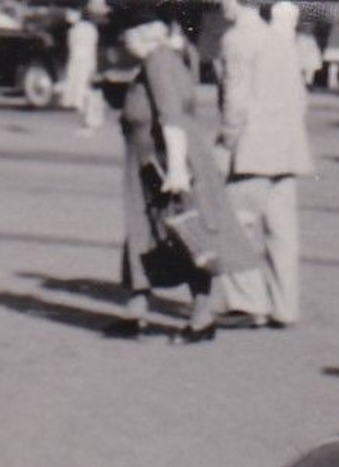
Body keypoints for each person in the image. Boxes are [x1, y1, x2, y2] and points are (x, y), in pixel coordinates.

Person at [110, 5, 257, 342]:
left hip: (165, 168)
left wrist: (175, 169)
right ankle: (136, 312)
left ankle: (201, 320)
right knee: (148, 236)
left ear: (142, 33)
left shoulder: (158, 60)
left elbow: (171, 117)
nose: (122, 41)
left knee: (186, 239)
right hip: (150, 168)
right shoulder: (168, 57)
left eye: (125, 34)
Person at [217, 0, 314, 328]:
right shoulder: (279, 38)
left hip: (251, 148)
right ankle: (285, 306)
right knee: (282, 231)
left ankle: (248, 302)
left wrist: (227, 142)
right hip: (286, 147)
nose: (220, 5)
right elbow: (300, 96)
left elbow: (235, 99)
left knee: (235, 224)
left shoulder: (236, 39)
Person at [61, 7, 102, 133]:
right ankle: (89, 121)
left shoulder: (75, 30)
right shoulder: (92, 30)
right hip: (87, 61)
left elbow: (72, 46)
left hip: (78, 61)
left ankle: (88, 122)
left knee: (81, 92)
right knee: (86, 91)